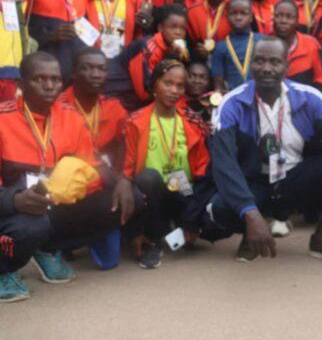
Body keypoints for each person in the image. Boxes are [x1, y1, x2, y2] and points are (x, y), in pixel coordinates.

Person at [208, 36, 322, 267]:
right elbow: (224, 164)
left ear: (287, 66)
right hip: (254, 184)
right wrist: (250, 213)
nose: (266, 68)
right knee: (219, 208)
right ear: (251, 65)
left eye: (275, 62)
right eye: (259, 61)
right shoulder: (231, 104)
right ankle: (251, 231)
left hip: (295, 181)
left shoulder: (308, 97)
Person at [0, 52, 138, 302]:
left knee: (129, 198)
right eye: (40, 79)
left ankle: (47, 248)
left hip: (48, 202)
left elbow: (92, 166)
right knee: (30, 226)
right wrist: (15, 200)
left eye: (55, 79)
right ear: (22, 84)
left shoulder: (69, 117)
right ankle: (4, 270)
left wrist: (121, 181)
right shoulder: (3, 119)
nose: (49, 86)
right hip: (11, 210)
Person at [123, 60, 210, 269]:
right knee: (148, 178)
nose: (174, 91)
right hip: (150, 194)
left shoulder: (192, 121)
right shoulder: (136, 122)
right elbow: (126, 169)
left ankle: (178, 226)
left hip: (182, 188)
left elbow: (203, 169)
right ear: (154, 84)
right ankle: (151, 239)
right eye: (168, 83)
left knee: (212, 222)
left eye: (180, 86)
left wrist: (192, 219)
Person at [106, 4, 189, 110]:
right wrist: (169, 58)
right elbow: (144, 93)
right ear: (160, 28)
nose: (178, 32)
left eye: (182, 29)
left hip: (129, 97)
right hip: (114, 93)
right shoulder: (149, 47)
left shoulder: (175, 49)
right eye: (173, 27)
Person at [58, 48, 129, 167]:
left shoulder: (114, 108)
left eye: (102, 69)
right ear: (74, 73)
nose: (96, 75)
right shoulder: (58, 107)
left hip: (104, 171)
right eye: (87, 68)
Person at [273, 0, 322, 89]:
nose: (283, 21)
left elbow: (320, 80)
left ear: (297, 21)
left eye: (289, 17)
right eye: (279, 16)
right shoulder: (265, 45)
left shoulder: (311, 45)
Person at [211, 0, 260, 92]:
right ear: (227, 16)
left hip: (259, 95)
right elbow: (218, 85)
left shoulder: (262, 41)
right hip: (233, 98)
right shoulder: (220, 47)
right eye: (233, 13)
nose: (238, 17)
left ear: (251, 17)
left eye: (243, 14)